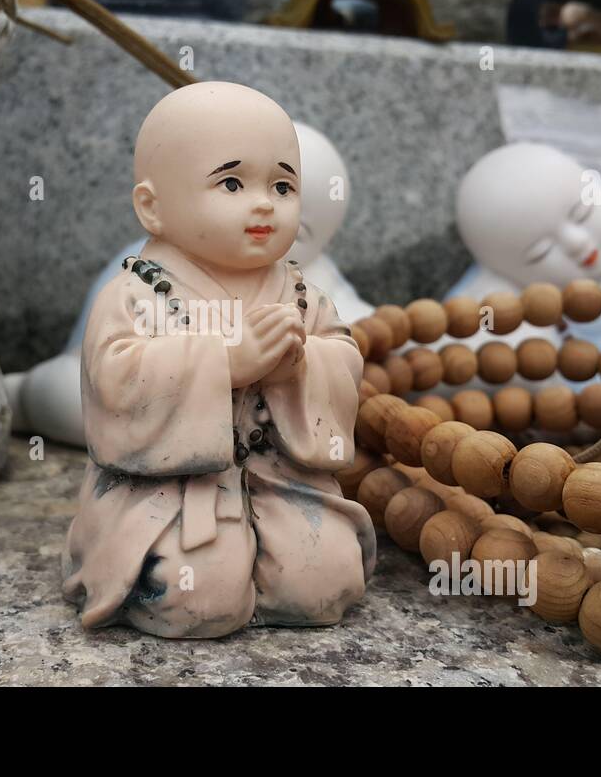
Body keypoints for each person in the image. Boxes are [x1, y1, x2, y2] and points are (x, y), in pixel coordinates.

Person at [61, 81, 375, 638]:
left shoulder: (301, 295)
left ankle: (275, 558)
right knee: (199, 599)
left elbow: (344, 362)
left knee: (323, 585)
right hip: (169, 491)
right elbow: (116, 381)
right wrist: (223, 363)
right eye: (231, 182)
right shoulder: (137, 294)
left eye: (283, 184)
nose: (264, 203)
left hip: (281, 477)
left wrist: (299, 370)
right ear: (151, 208)